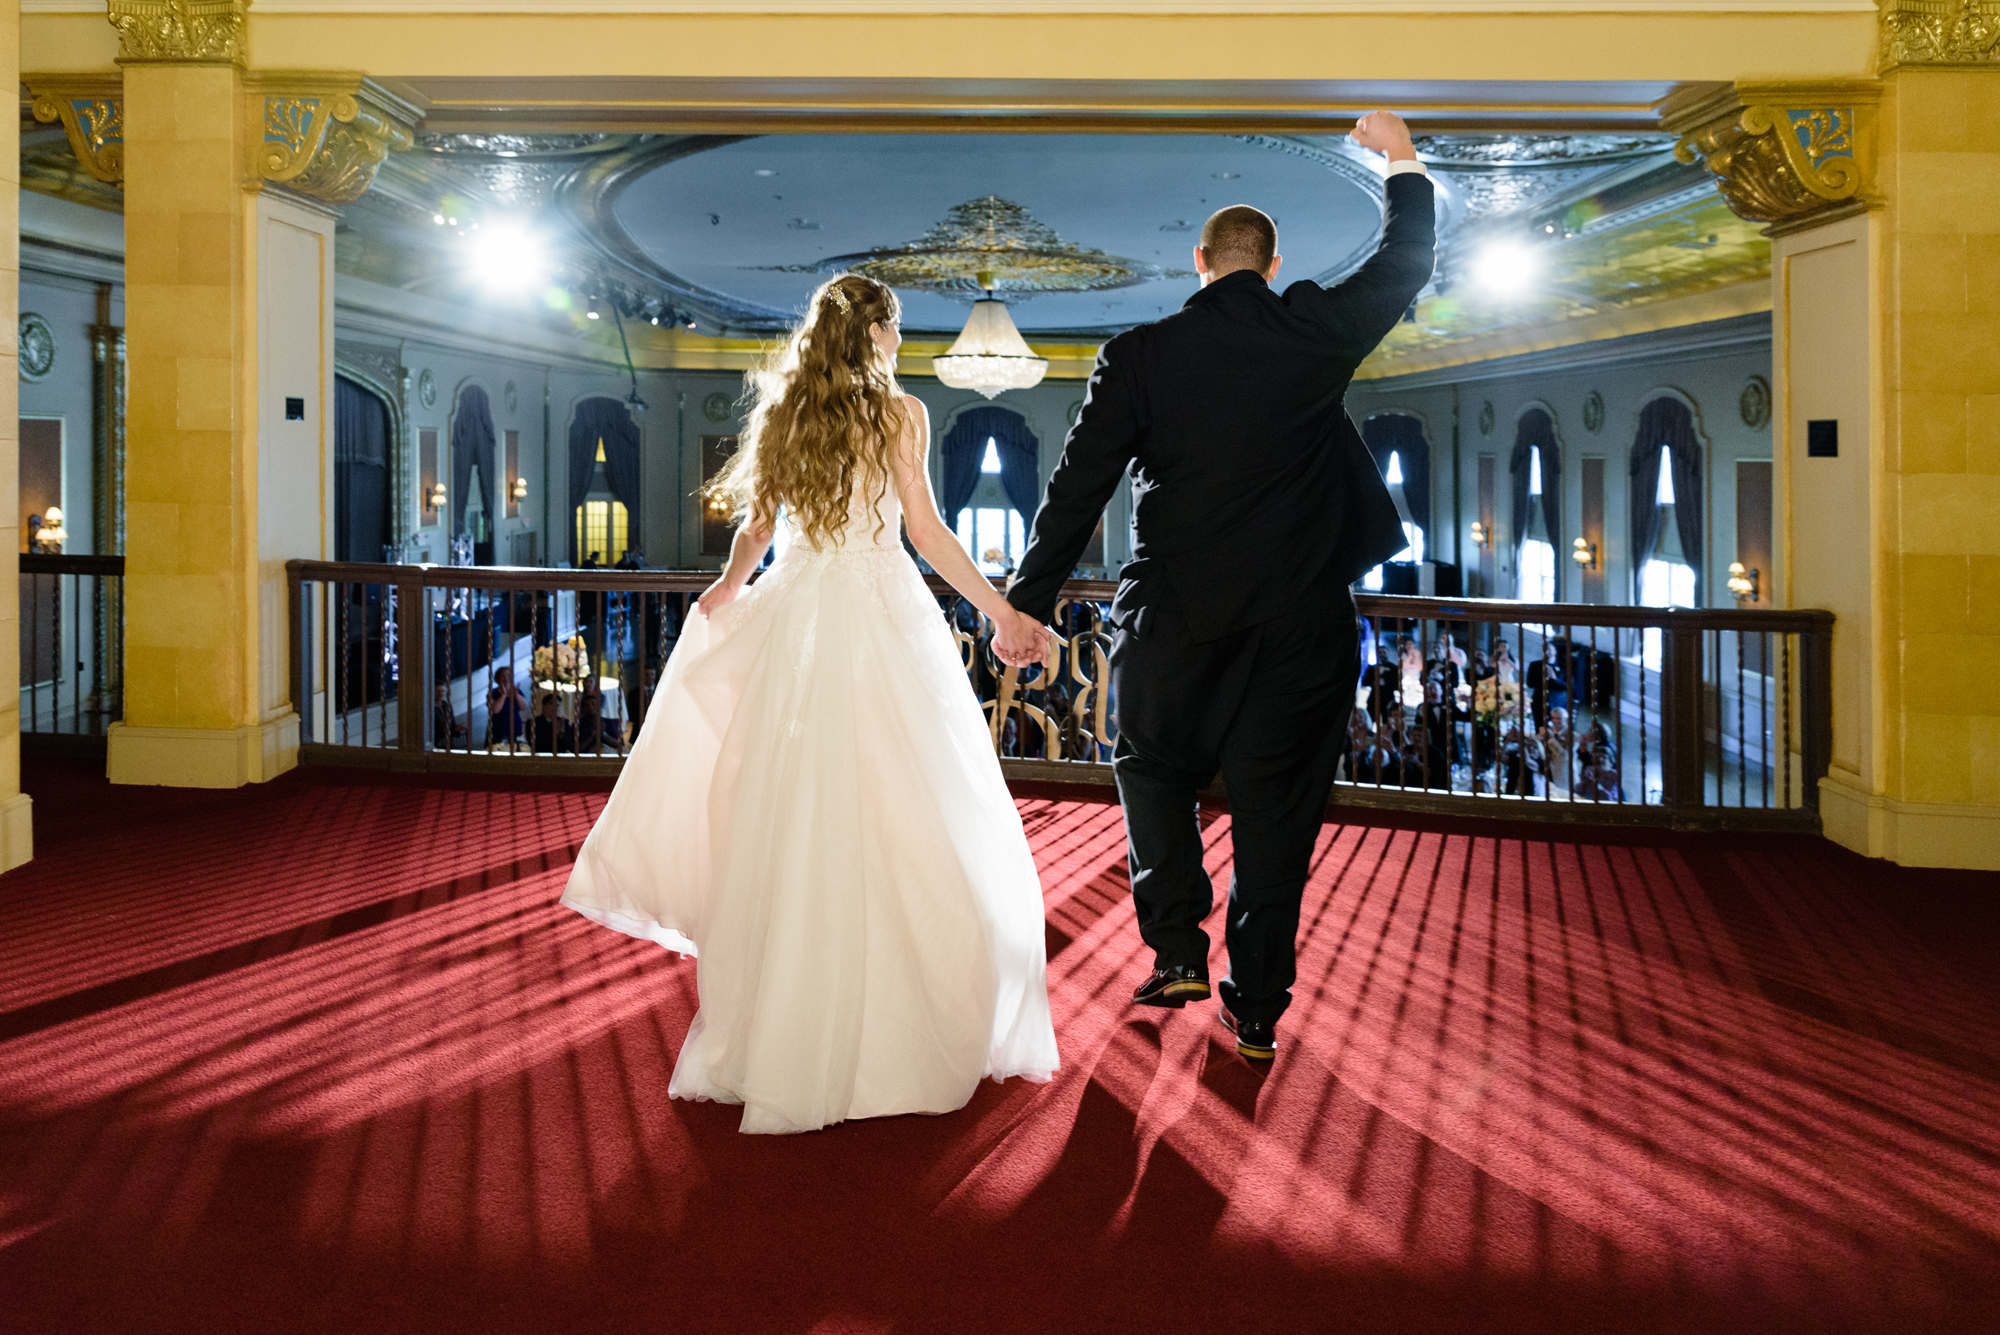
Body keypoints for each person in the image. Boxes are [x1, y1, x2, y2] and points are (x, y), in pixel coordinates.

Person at [560, 274, 1058, 1133]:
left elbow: (756, 526)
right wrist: (1001, 609)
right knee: (907, 804)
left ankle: (786, 1021)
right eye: (897, 328)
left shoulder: (788, 409)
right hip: (879, 612)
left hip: (799, 616)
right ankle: (893, 1016)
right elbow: (929, 533)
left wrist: (726, 588)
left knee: (791, 806)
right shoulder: (901, 414)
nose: (901, 341)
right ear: (881, 332)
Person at [997, 110, 1435, 1062]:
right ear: (1268, 266)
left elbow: (1077, 492)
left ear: (1200, 260)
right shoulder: (1314, 333)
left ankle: (1176, 948)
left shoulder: (1140, 355)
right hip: (1303, 628)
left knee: (1150, 767)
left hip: (1176, 623)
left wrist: (1025, 607)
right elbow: (1406, 263)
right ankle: (1259, 1005)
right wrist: (1401, 160)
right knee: (1278, 814)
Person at [487, 665, 526, 750]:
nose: (506, 678)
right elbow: (495, 710)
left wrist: (516, 695)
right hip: (499, 726)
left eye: (508, 675)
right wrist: (504, 695)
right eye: (503, 676)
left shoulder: (517, 691)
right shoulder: (493, 693)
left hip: (515, 725)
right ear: (498, 678)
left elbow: (523, 707)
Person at [530, 691, 572, 755]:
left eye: (557, 705)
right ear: (543, 706)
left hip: (561, 759)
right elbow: (537, 745)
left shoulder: (564, 722)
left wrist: (561, 734)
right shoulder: (533, 723)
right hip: (541, 759)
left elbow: (571, 746)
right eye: (551, 704)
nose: (554, 707)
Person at [432, 682, 466, 750]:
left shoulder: (446, 705)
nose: (440, 693)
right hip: (435, 743)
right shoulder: (429, 708)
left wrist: (455, 728)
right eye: (437, 691)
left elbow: (451, 724)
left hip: (447, 743)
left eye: (442, 691)